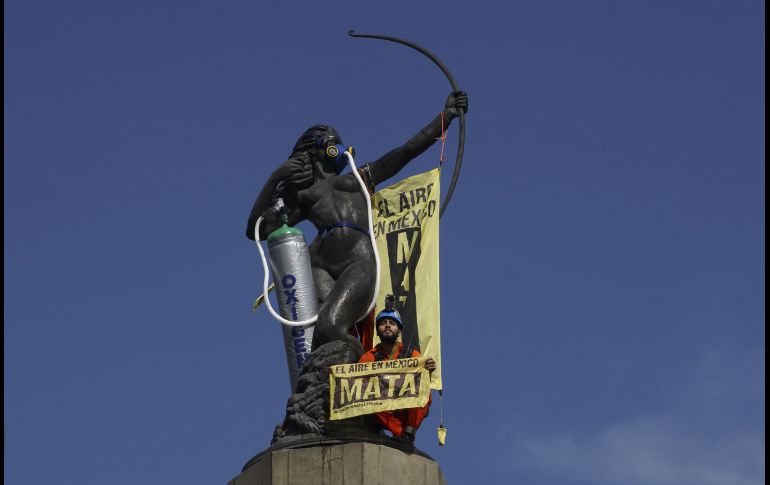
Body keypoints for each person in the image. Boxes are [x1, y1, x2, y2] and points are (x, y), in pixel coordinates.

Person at [246, 92, 468, 350]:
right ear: (323, 149)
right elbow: (257, 230)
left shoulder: (356, 180)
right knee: (316, 336)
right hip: (320, 267)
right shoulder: (304, 196)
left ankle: (361, 366)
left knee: (330, 327)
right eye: (334, 143)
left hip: (357, 263)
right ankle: (322, 378)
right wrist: (276, 178)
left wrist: (445, 117)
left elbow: (404, 152)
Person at [358, 306, 437, 443]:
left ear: (399, 331)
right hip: (380, 409)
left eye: (392, 323)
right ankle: (398, 434)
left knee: (424, 392)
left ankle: (408, 435)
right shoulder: (367, 358)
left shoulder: (411, 355)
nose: (387, 326)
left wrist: (428, 371)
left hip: (405, 408)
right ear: (377, 331)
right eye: (383, 323)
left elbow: (421, 378)